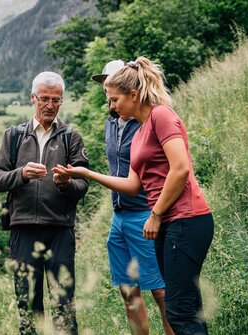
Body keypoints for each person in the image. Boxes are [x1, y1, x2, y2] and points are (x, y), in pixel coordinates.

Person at [53, 56, 214, 335]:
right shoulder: (140, 133)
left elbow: (180, 169)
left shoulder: (161, 115)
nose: (111, 105)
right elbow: (132, 185)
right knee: (185, 307)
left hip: (187, 218)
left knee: (177, 308)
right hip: (168, 223)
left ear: (134, 94)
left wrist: (155, 214)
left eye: (115, 99)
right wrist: (86, 174)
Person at [0, 71, 89, 335]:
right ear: (33, 98)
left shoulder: (71, 136)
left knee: (63, 302)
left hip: (59, 230)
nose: (50, 105)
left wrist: (66, 183)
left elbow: (83, 186)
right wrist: (20, 174)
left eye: (56, 100)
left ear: (61, 101)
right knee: (28, 302)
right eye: (44, 98)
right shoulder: (13, 136)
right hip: (23, 230)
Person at [92, 60, 174, 335]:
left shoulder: (145, 123)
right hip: (119, 218)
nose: (108, 95)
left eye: (112, 87)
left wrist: (84, 174)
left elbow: (138, 181)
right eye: (105, 87)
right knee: (129, 292)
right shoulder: (110, 124)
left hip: (143, 212)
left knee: (160, 291)